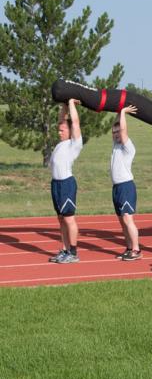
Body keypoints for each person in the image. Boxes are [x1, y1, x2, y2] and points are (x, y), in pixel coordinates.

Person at [48, 99, 83, 264]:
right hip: (55, 184)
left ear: (70, 131)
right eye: (59, 130)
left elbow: (74, 122)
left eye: (62, 130)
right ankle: (64, 249)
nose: (59, 132)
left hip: (66, 184)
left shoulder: (74, 144)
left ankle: (73, 252)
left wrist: (71, 104)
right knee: (61, 219)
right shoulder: (61, 144)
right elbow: (63, 120)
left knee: (69, 218)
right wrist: (63, 106)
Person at [110, 105, 142, 261]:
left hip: (126, 186)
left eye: (118, 132)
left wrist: (123, 112)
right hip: (116, 187)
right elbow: (116, 128)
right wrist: (118, 113)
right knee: (122, 221)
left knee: (128, 219)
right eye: (114, 133)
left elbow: (123, 131)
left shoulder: (128, 147)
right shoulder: (116, 145)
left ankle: (136, 250)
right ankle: (129, 248)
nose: (116, 135)